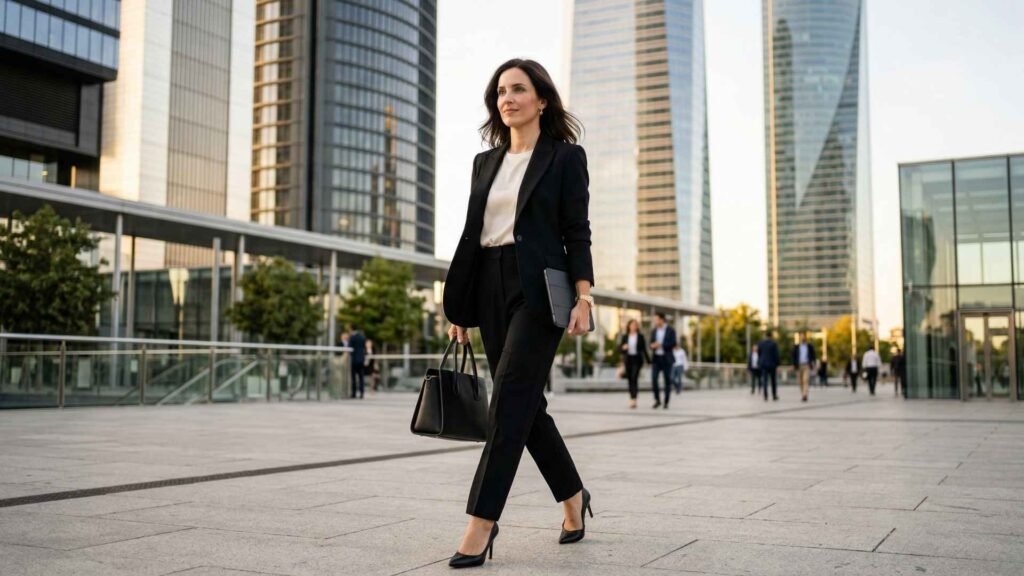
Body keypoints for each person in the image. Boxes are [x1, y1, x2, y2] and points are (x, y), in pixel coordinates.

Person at [442, 59, 593, 568]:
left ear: (541, 100)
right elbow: (471, 233)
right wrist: (460, 304)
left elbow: (577, 230)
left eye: (518, 89)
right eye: (501, 91)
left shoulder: (565, 158)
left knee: (509, 396)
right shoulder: (485, 163)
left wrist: (584, 296)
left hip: (540, 290)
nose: (507, 98)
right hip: (487, 283)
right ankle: (573, 497)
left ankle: (481, 524)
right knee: (528, 405)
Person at [649, 312, 678, 409]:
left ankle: (666, 402)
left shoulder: (670, 330)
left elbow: (673, 343)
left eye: (656, 319)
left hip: (667, 359)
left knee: (667, 381)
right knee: (654, 379)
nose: (655, 321)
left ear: (662, 319)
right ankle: (657, 400)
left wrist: (661, 345)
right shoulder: (654, 331)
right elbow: (651, 343)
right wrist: (652, 345)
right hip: (656, 358)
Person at [619, 319, 649, 409]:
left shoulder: (640, 336)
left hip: (637, 359)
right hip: (628, 359)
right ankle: (632, 398)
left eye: (635, 325)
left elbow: (644, 349)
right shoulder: (625, 336)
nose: (633, 327)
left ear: (637, 327)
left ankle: (634, 399)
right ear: (629, 326)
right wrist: (623, 347)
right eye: (632, 325)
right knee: (630, 379)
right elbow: (620, 349)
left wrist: (649, 361)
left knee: (634, 377)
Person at [791, 332, 817, 402]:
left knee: (806, 380)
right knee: (800, 381)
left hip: (807, 365)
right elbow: (793, 356)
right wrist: (793, 364)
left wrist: (814, 363)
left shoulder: (809, 346)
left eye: (803, 336)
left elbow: (813, 356)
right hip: (799, 366)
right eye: (801, 336)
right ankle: (802, 394)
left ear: (805, 338)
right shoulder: (796, 347)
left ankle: (805, 395)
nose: (802, 338)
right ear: (799, 338)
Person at [757, 330, 780, 401]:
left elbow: (759, 353)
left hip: (763, 364)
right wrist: (777, 364)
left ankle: (765, 395)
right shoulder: (773, 344)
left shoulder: (761, 343)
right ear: (771, 336)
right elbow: (776, 355)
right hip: (772, 364)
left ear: (765, 336)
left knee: (765, 380)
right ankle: (774, 395)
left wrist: (760, 361)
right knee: (773, 381)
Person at [347, 327, 366, 399]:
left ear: (351, 330)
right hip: (361, 359)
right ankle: (362, 393)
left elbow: (350, 348)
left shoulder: (352, 338)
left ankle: (354, 393)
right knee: (361, 378)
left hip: (354, 360)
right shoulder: (362, 337)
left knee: (353, 378)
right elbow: (364, 347)